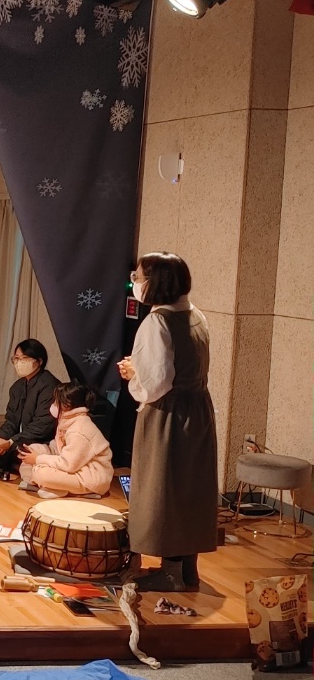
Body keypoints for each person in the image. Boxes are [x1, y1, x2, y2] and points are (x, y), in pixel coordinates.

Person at [118, 252, 218, 591]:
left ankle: (170, 573)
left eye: (138, 276)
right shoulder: (196, 315)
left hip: (168, 414)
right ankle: (188, 570)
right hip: (198, 409)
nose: (134, 282)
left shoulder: (157, 322)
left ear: (156, 282)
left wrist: (133, 373)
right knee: (190, 488)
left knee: (164, 488)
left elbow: (157, 383)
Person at [0, 339, 60, 477]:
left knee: (21, 450)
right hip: (17, 439)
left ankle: (12, 463)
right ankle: (13, 464)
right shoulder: (17, 387)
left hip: (38, 441)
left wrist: (11, 442)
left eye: (24, 358)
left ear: (39, 361)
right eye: (16, 359)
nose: (19, 363)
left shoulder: (50, 386)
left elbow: (42, 427)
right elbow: (11, 421)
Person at [18, 383, 113, 500]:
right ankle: (56, 487)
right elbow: (57, 449)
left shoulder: (79, 429)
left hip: (90, 477)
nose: (53, 405)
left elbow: (68, 464)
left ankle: (62, 488)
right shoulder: (67, 421)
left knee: (41, 473)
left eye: (56, 402)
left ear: (66, 405)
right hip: (74, 468)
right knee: (30, 459)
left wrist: (38, 459)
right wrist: (35, 451)